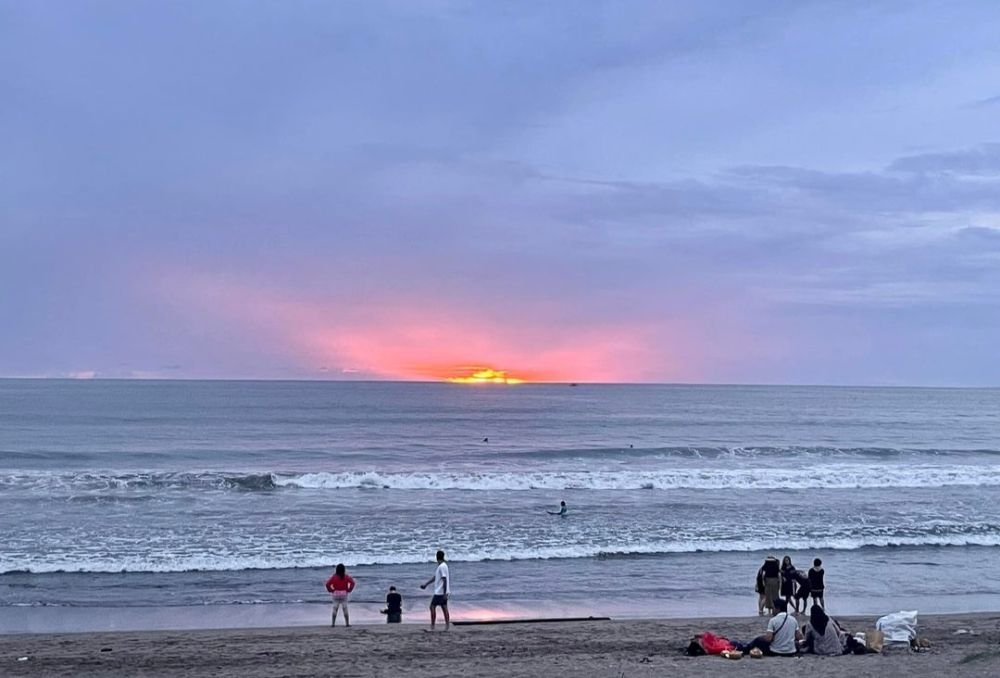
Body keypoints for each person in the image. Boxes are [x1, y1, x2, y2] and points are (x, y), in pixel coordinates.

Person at [420, 550, 450, 630]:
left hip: (440, 592)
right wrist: (426, 584)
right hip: (443, 591)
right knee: (444, 607)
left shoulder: (442, 567)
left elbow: (444, 579)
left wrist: (444, 593)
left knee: (432, 606)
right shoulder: (443, 566)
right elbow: (436, 577)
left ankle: (433, 626)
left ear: (436, 557)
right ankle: (447, 626)